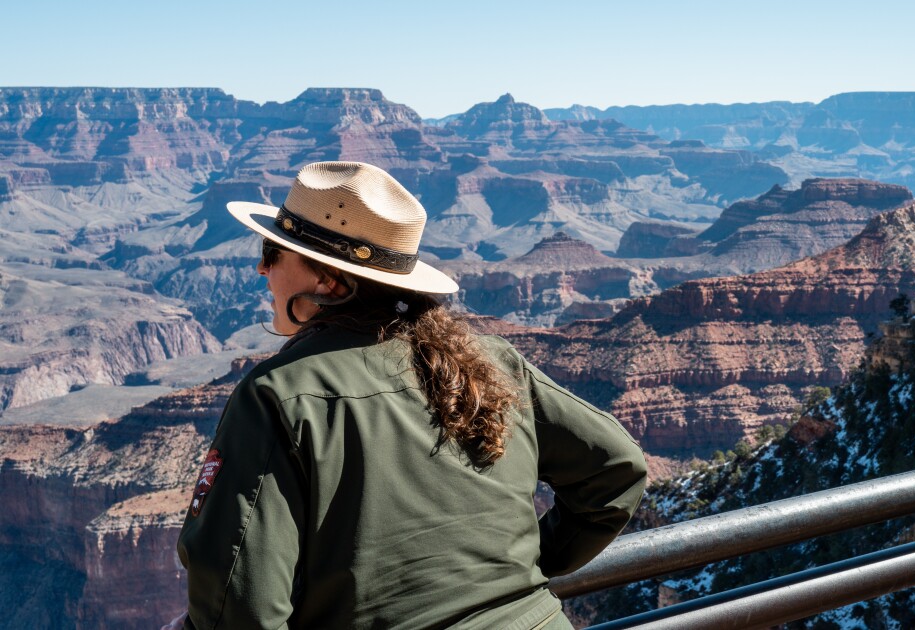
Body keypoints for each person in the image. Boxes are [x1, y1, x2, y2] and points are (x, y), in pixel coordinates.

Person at [174, 161, 648, 629]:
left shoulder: (277, 395)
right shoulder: (489, 361)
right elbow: (615, 470)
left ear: (328, 281)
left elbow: (239, 613)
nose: (261, 267)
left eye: (274, 251)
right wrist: (512, 574)